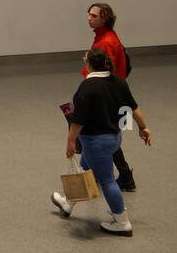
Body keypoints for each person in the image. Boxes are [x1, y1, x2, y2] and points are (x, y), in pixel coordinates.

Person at [52, 49, 153, 235]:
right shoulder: (119, 82)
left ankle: (122, 222)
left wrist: (70, 141)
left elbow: (78, 119)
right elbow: (133, 107)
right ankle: (68, 202)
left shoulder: (88, 86)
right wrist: (143, 127)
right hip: (114, 138)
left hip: (95, 143)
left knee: (107, 181)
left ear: (89, 63)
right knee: (84, 169)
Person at [82, 2, 135, 190]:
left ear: (104, 18)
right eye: (88, 14)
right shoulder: (106, 37)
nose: (89, 18)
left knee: (102, 135)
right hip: (114, 96)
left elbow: (104, 73)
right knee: (109, 135)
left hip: (108, 98)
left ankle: (112, 175)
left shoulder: (106, 42)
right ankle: (123, 175)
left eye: (94, 15)